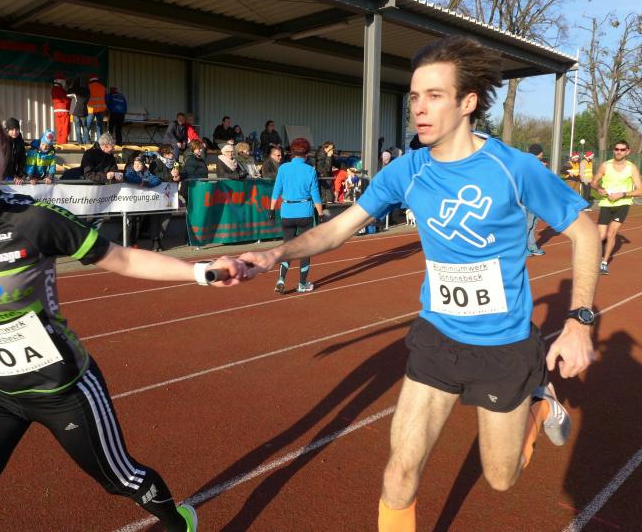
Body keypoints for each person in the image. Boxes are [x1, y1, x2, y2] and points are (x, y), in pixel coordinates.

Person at [0, 89, 247, 532]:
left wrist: (201, 271)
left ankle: (178, 522)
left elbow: (121, 258)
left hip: (65, 390)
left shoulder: (33, 220)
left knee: (123, 480)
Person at [239, 36, 599, 531]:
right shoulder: (406, 170)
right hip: (437, 337)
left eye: (434, 95)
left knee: (501, 478)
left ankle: (539, 405)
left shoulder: (513, 168)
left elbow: (585, 232)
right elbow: (338, 229)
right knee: (399, 472)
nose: (419, 109)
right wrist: (275, 254)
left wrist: (578, 322)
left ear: (467, 102)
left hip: (503, 347)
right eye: (413, 97)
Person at [268, 137, 322, 294]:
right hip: (304, 212)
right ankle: (302, 283)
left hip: (287, 212)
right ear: (306, 154)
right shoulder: (310, 170)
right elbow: (316, 195)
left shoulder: (283, 168)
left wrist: (271, 210)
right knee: (305, 250)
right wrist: (320, 215)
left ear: (291, 153)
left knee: (287, 247)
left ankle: (281, 279)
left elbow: (276, 191)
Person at [591, 140, 641, 275]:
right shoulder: (605, 166)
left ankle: (603, 263)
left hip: (622, 204)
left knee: (611, 234)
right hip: (606, 204)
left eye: (622, 150)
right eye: (617, 149)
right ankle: (600, 248)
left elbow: (640, 190)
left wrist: (622, 194)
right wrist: (599, 189)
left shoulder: (632, 168)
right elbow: (593, 182)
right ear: (613, 150)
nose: (619, 152)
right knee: (601, 236)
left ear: (627, 152)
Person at [149, 144, 181, 251]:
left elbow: (181, 174)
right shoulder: (156, 162)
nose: (172, 155)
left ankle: (159, 238)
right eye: (169, 153)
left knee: (166, 218)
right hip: (157, 194)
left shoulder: (175, 163)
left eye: (172, 152)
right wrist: (169, 175)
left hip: (169, 195)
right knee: (155, 218)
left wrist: (178, 177)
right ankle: (155, 241)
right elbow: (153, 175)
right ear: (164, 153)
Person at [525, 143, 546, 256]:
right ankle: (522, 248)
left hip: (536, 198)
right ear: (539, 153)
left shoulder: (537, 164)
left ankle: (532, 246)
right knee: (527, 224)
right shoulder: (531, 164)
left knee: (533, 224)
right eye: (542, 153)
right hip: (529, 198)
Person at [182, 139, 208, 205]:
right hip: (192, 190)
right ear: (193, 149)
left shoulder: (200, 160)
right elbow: (191, 176)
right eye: (199, 149)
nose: (201, 150)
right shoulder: (190, 159)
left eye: (201, 148)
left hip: (199, 189)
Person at [3, 117, 27, 183]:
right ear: (7, 130)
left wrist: (19, 175)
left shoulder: (20, 142)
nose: (15, 132)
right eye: (12, 130)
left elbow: (22, 160)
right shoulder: (2, 141)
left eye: (17, 129)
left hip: (11, 176)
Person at [67, 78, 90, 145]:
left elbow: (67, 95)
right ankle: (87, 141)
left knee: (77, 127)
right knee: (85, 127)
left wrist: (71, 87)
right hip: (84, 111)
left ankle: (80, 142)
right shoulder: (86, 91)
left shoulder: (75, 91)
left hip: (76, 111)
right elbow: (88, 98)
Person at [87, 75, 107, 142]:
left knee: (87, 126)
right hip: (101, 109)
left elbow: (86, 97)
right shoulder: (103, 87)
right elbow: (105, 98)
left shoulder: (89, 87)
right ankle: (100, 142)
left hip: (91, 109)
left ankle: (86, 141)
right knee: (99, 126)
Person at [51, 74, 70, 145]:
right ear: (61, 81)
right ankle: (63, 143)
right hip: (64, 110)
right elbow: (65, 99)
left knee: (59, 128)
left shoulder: (53, 89)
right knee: (65, 128)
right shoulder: (59, 89)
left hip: (57, 110)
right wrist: (71, 99)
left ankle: (59, 142)